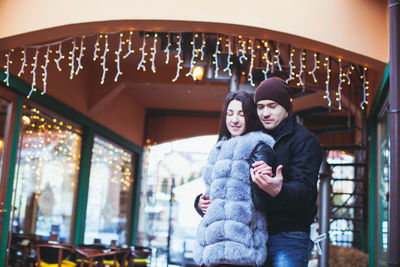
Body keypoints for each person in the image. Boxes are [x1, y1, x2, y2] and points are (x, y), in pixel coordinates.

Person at [193, 91, 276, 267]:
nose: (235, 120)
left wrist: (263, 183)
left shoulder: (258, 148)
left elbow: (264, 203)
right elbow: (215, 198)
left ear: (251, 116)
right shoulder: (218, 149)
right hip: (212, 247)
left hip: (241, 248)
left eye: (241, 114)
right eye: (230, 114)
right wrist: (199, 204)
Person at [250, 76, 323, 267]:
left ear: (286, 107)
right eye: (260, 107)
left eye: (272, 106)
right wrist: (200, 202)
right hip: (255, 236)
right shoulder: (254, 138)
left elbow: (306, 191)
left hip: (289, 236)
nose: (265, 112)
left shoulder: (305, 140)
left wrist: (279, 190)